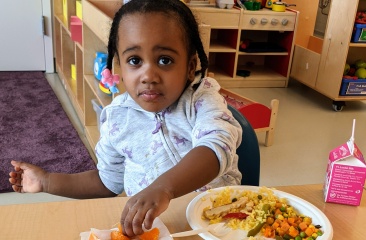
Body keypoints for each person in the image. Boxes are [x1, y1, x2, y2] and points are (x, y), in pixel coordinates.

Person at [9, 0, 242, 237]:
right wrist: (48, 182)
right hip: (155, 227)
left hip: (223, 221)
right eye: (134, 61)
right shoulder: (118, 117)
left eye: (165, 60)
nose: (148, 75)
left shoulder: (202, 100)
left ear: (190, 66)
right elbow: (107, 182)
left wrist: (164, 188)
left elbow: (216, 147)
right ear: (119, 65)